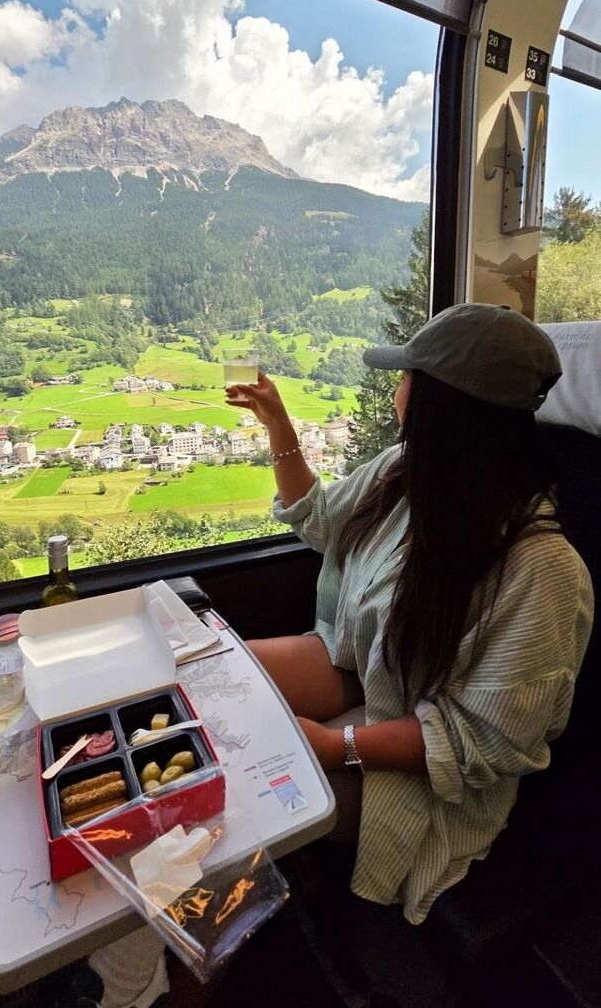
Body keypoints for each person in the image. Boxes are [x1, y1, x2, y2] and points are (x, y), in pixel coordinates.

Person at [225, 305, 593, 953]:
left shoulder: (542, 569)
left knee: (245, 796)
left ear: (443, 404)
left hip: (434, 762)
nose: (394, 390)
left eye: (407, 378)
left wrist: (332, 746)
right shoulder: (406, 472)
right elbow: (320, 520)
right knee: (218, 684)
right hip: (368, 672)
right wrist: (277, 421)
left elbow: (478, 738)